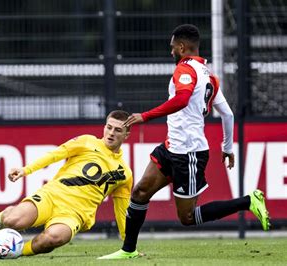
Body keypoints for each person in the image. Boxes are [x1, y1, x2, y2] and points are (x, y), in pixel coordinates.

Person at [99, 24, 270, 260]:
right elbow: (227, 114)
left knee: (187, 218)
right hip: (171, 148)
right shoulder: (208, 75)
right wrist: (227, 148)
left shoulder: (185, 69)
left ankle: (249, 201)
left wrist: (145, 116)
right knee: (139, 192)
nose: (171, 52)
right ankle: (128, 250)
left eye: (172, 48)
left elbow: (181, 99)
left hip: (188, 154)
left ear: (182, 47)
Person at [0, 110, 134, 258]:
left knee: (53, 238)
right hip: (52, 196)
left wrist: (128, 245)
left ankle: (16, 251)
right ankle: (3, 216)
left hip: (75, 214)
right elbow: (55, 155)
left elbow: (121, 209)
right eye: (109, 127)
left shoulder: (124, 174)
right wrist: (26, 170)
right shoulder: (87, 141)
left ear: (126, 135)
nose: (111, 133)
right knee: (13, 221)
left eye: (118, 130)